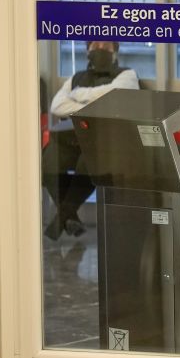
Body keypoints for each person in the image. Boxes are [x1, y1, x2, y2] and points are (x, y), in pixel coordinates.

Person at [42, 41, 138, 239]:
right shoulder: (75, 78)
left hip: (108, 142)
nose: (100, 48)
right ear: (87, 50)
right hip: (73, 138)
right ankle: (69, 218)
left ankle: (62, 218)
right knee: (49, 162)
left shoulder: (127, 75)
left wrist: (78, 96)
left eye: (106, 45)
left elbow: (115, 98)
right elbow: (57, 106)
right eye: (95, 45)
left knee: (89, 162)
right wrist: (96, 104)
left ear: (115, 50)